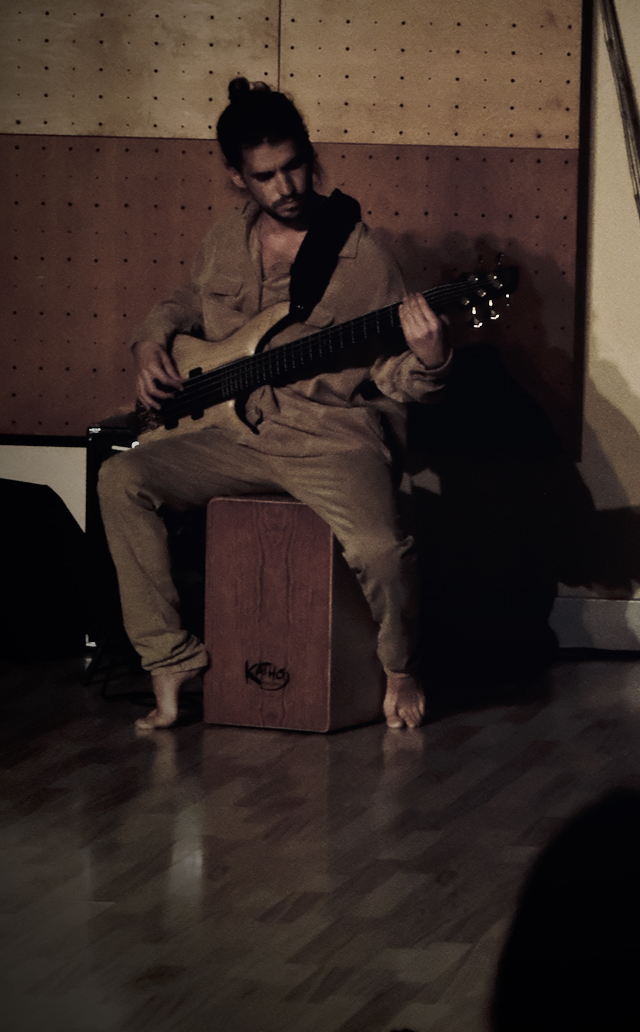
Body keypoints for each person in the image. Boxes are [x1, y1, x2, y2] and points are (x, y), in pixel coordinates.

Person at [98, 79, 450, 731]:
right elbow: (189, 301)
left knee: (381, 550)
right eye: (265, 176)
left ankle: (401, 667)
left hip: (326, 437)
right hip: (231, 435)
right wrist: (150, 342)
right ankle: (169, 659)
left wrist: (431, 360)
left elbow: (390, 372)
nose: (285, 187)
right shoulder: (225, 238)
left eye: (294, 167)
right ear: (238, 177)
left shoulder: (361, 256)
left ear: (309, 157)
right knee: (121, 478)